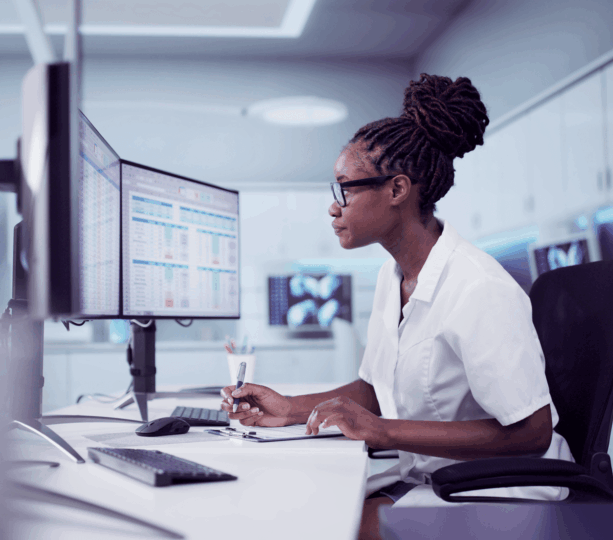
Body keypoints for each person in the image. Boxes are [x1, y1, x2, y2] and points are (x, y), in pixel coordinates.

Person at [220, 74, 574, 540]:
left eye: (345, 188)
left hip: (504, 491)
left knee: (326, 528)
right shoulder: (395, 277)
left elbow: (532, 433)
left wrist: (384, 432)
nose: (334, 206)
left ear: (397, 190)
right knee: (296, 507)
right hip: (433, 478)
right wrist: (288, 408)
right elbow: (373, 386)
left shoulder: (479, 288)